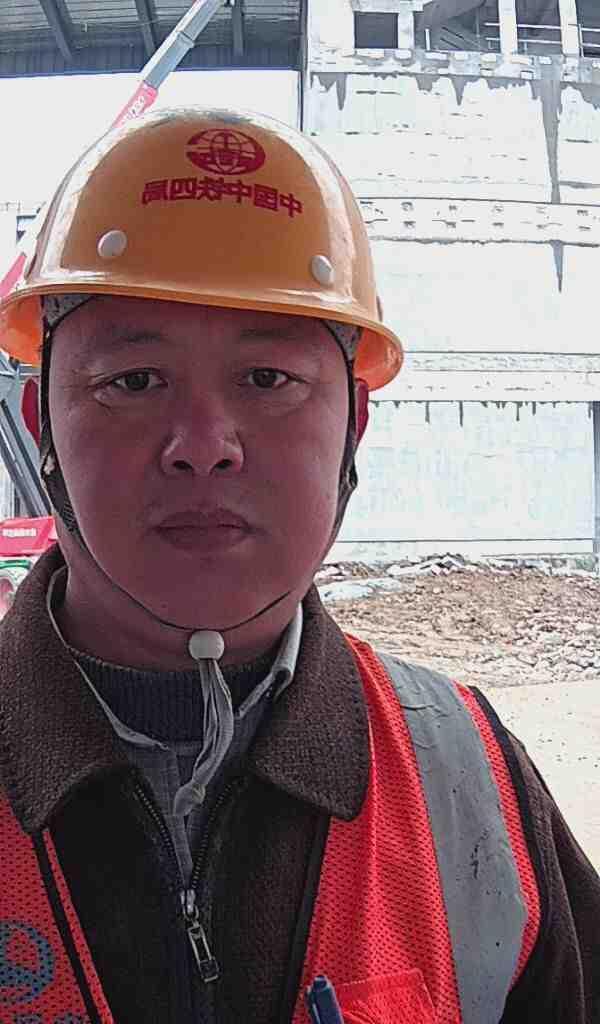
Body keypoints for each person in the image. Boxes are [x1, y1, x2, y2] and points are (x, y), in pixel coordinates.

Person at [0, 107, 598, 1024]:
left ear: (354, 425)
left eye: (268, 380)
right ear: (41, 422)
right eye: (134, 381)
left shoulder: (469, 780)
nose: (205, 446)